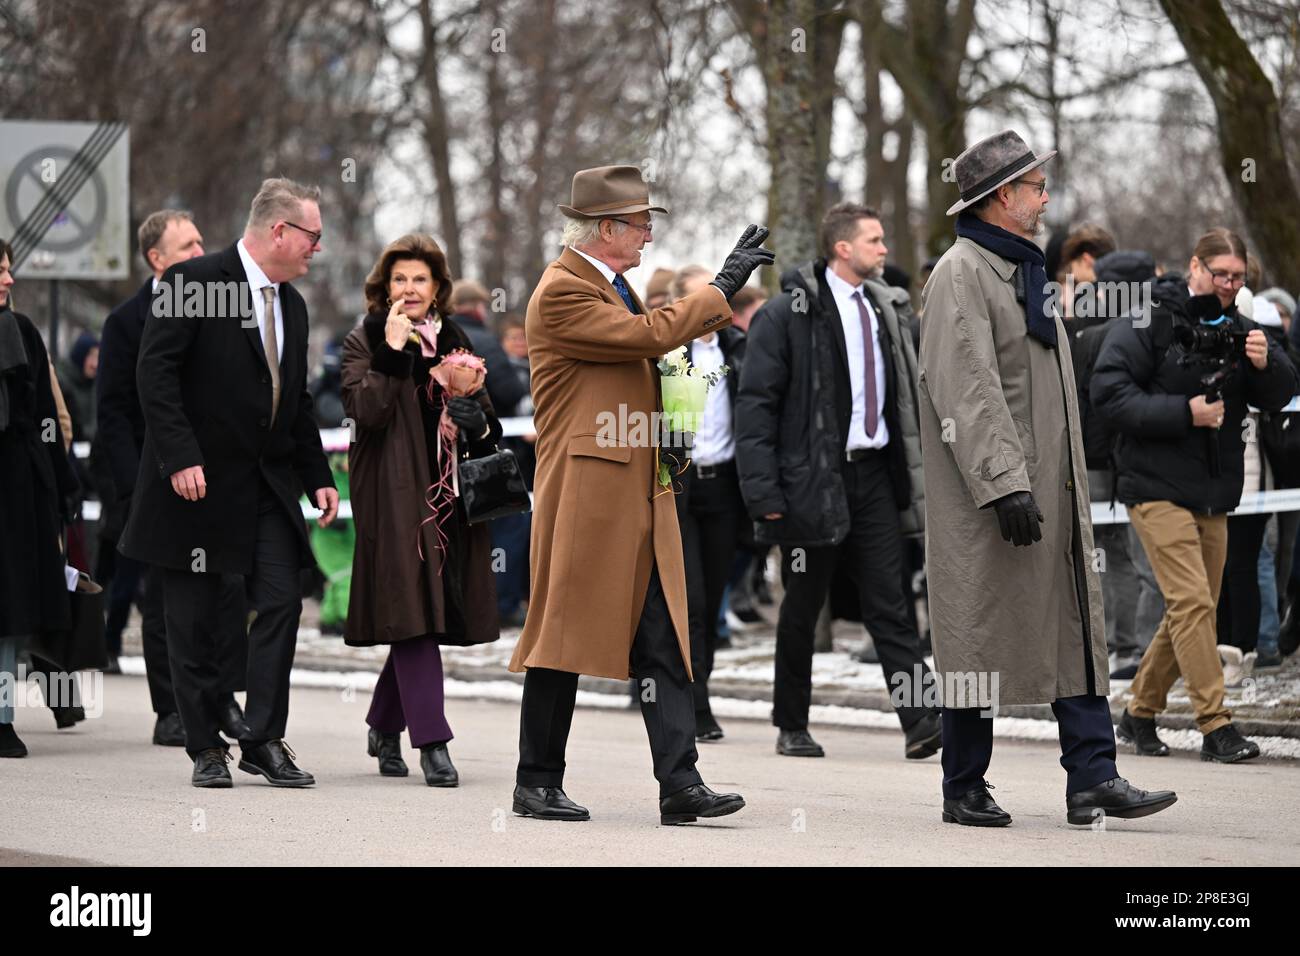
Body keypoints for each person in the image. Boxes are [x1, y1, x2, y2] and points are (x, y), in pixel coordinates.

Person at [921, 129, 1176, 827]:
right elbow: (966, 387)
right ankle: (963, 786)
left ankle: (1093, 777)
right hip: (991, 497)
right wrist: (1004, 481)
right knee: (976, 629)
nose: (1045, 198)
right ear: (1003, 196)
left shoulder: (1022, 270)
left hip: (1051, 494)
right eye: (1036, 187)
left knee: (1072, 627)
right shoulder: (962, 273)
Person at [507, 164, 770, 824]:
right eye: (641, 222)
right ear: (607, 228)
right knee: (560, 635)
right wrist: (722, 287)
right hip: (587, 493)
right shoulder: (563, 291)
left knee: (664, 633)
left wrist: (665, 430)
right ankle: (536, 779)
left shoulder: (612, 285)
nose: (650, 233)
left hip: (636, 487)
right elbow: (647, 337)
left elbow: (637, 364)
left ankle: (680, 782)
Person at [120, 178, 339, 788]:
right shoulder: (195, 283)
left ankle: (264, 738)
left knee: (280, 601)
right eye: (312, 236)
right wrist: (180, 457)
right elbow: (154, 376)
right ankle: (204, 747)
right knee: (193, 621)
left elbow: (292, 401)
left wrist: (317, 477)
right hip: (194, 485)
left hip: (265, 486)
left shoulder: (291, 304)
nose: (316, 249)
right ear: (279, 231)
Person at [737, 202, 940, 761]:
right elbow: (756, 409)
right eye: (874, 240)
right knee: (803, 607)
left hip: (874, 475)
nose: (884, 249)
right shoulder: (786, 314)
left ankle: (921, 718)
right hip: (811, 481)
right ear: (843, 248)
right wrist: (766, 496)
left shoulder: (883, 309)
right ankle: (792, 723)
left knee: (892, 603)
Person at [1094, 227, 1298, 762]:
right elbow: (1109, 394)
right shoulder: (1146, 318)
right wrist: (1184, 413)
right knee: (1192, 603)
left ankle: (1139, 715)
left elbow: (1280, 393)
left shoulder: (1238, 327)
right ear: (1195, 267)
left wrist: (1265, 362)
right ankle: (1215, 724)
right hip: (1152, 486)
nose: (1230, 285)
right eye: (1221, 274)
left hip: (1213, 491)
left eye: (1239, 276)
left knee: (1188, 610)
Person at [342, 234, 501, 787]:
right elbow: (366, 410)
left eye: (419, 280)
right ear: (385, 289)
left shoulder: (455, 338)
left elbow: (490, 422)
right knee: (412, 611)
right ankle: (432, 741)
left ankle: (385, 725)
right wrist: (390, 351)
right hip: (391, 495)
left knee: (426, 613)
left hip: (450, 495)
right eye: (399, 280)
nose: (409, 289)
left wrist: (474, 416)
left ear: (437, 289)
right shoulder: (364, 338)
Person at [95, 210, 249, 742]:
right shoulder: (124, 323)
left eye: (202, 241)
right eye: (186, 246)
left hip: (211, 476)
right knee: (165, 601)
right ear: (156, 259)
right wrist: (129, 492)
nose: (200, 251)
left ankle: (223, 697)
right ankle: (171, 710)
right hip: (151, 479)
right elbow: (113, 412)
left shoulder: (217, 306)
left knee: (225, 591)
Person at [0, 239, 80, 757]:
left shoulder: (22, 331)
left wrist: (63, 486)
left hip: (14, 488)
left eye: (7, 270)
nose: (7, 280)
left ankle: (1, 717)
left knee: (8, 608)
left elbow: (48, 419)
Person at [1069, 249, 1161, 679]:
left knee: (1110, 557)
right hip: (1119, 460)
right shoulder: (1143, 331)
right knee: (1128, 557)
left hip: (1100, 460)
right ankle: (1133, 647)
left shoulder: (1091, 332)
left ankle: (1121, 648)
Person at [668, 265, 747, 742]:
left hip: (725, 488)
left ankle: (703, 688)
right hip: (679, 483)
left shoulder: (740, 348)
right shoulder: (666, 351)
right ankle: (695, 705)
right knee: (691, 600)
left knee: (713, 597)